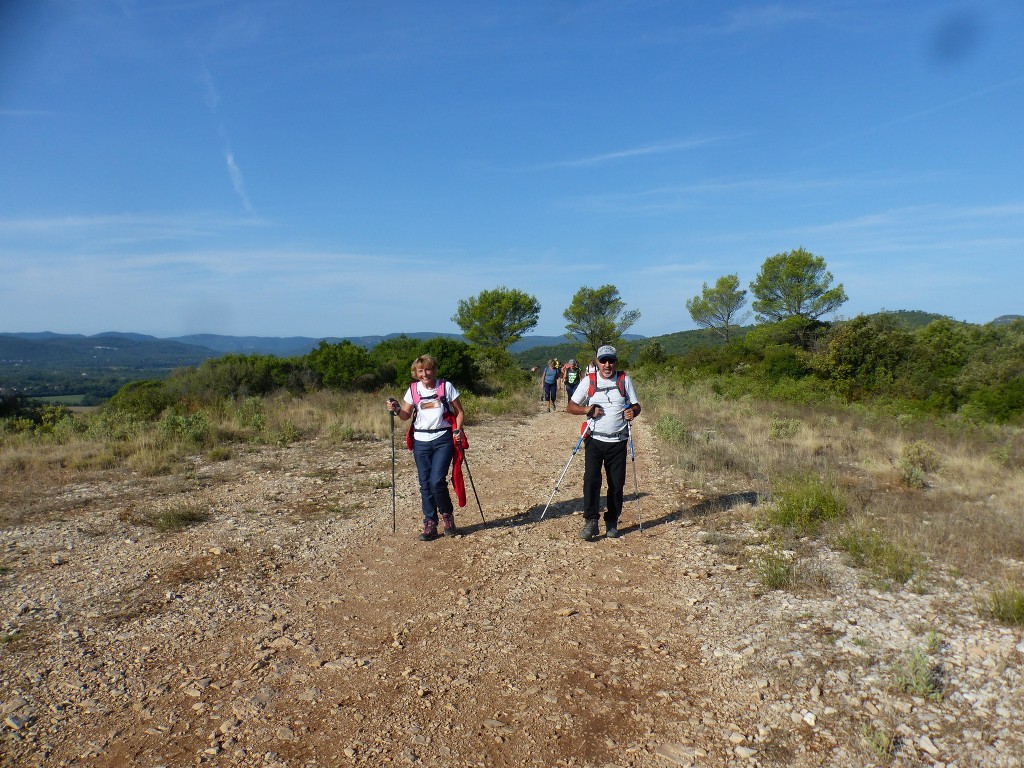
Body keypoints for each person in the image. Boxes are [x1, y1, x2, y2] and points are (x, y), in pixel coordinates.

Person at [386, 355, 466, 541]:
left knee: (437, 481)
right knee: (424, 484)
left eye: (428, 369)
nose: (424, 374)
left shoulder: (446, 386)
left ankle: (447, 516)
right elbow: (406, 415)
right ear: (415, 373)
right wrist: (396, 409)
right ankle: (430, 522)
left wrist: (458, 429)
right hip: (420, 440)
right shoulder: (413, 389)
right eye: (420, 371)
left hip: (443, 438)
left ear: (434, 370)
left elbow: (459, 412)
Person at [566, 345, 640, 540]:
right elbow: (571, 406)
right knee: (591, 481)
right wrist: (587, 410)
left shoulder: (624, 380)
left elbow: (636, 405)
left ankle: (612, 521)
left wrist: (633, 412)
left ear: (616, 361)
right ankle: (591, 521)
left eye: (611, 360)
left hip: (618, 441)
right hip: (594, 440)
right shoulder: (589, 380)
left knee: (616, 484)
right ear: (597, 362)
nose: (607, 364)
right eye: (603, 360)